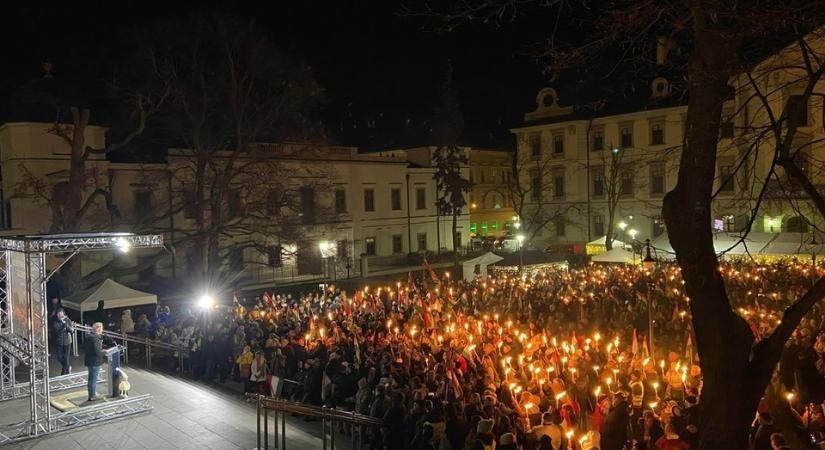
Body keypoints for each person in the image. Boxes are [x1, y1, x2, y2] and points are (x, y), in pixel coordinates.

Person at [84, 322, 106, 402]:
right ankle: (92, 396)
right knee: (93, 380)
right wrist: (104, 352)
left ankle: (91, 394)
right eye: (101, 328)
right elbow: (98, 352)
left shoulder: (89, 336)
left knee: (91, 379)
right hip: (95, 361)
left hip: (89, 360)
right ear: (98, 329)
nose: (102, 330)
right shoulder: (96, 338)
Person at [52, 308, 72, 375]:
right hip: (59, 342)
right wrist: (62, 325)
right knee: (60, 357)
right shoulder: (55, 321)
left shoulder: (68, 320)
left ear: (63, 313)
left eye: (61, 312)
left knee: (66, 358)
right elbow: (56, 331)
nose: (59, 314)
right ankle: (68, 367)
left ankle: (63, 373)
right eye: (58, 313)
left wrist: (67, 326)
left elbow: (71, 330)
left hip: (67, 342)